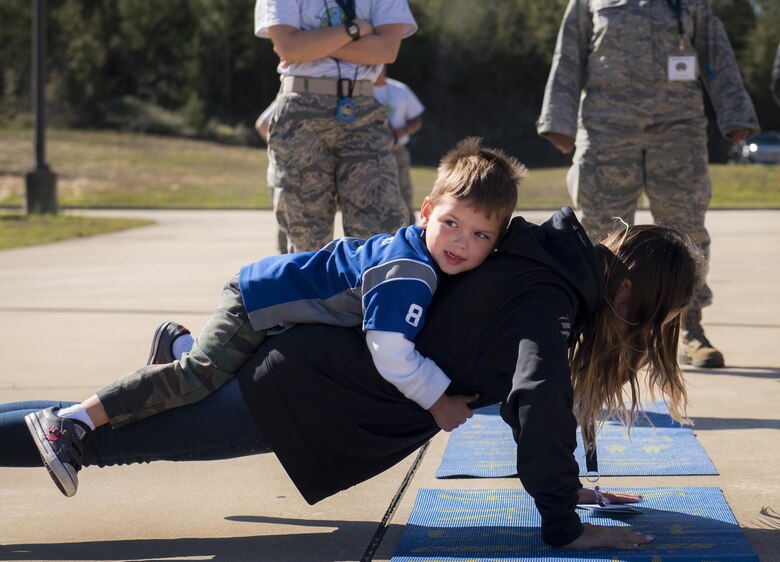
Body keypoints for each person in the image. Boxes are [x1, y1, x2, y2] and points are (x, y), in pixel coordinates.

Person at [2, 208, 700, 550]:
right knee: (106, 439)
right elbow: (537, 394)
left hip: (310, 378)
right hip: (302, 390)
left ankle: (145, 371)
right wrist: (563, 521)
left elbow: (521, 392)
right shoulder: (549, 298)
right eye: (651, 313)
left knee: (107, 426)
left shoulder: (548, 271)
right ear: (635, 286)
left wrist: (565, 483)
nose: (642, 329)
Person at [23, 137, 526, 497]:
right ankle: (69, 422)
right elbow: (390, 349)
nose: (462, 242)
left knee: (204, 367)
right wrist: (437, 399)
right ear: (425, 212)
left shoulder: (419, 255)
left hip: (269, 304)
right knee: (195, 380)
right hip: (256, 304)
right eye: (452, 224)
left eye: (480, 235)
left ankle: (177, 343)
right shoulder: (411, 273)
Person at [536, 0, 759, 369]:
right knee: (599, 231)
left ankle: (687, 331)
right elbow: (569, 51)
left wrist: (735, 114)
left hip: (676, 128)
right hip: (607, 127)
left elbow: (714, 49)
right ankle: (595, 329)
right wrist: (558, 119)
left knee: (684, 233)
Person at [255, 0, 416, 253]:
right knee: (306, 236)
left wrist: (316, 43)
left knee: (381, 230)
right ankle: (306, 314)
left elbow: (388, 51)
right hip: (301, 114)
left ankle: (370, 310)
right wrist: (356, 30)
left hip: (362, 110)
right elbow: (289, 47)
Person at [373, 65, 425, 223]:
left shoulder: (400, 90)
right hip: (368, 151)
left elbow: (416, 120)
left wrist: (403, 130)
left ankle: (409, 231)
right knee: (371, 196)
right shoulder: (359, 89)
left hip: (396, 150)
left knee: (403, 193)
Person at [255, 102, 289, 254]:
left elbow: (262, 124)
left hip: (278, 175)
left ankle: (283, 269)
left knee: (284, 228)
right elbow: (262, 124)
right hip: (284, 175)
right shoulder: (287, 98)